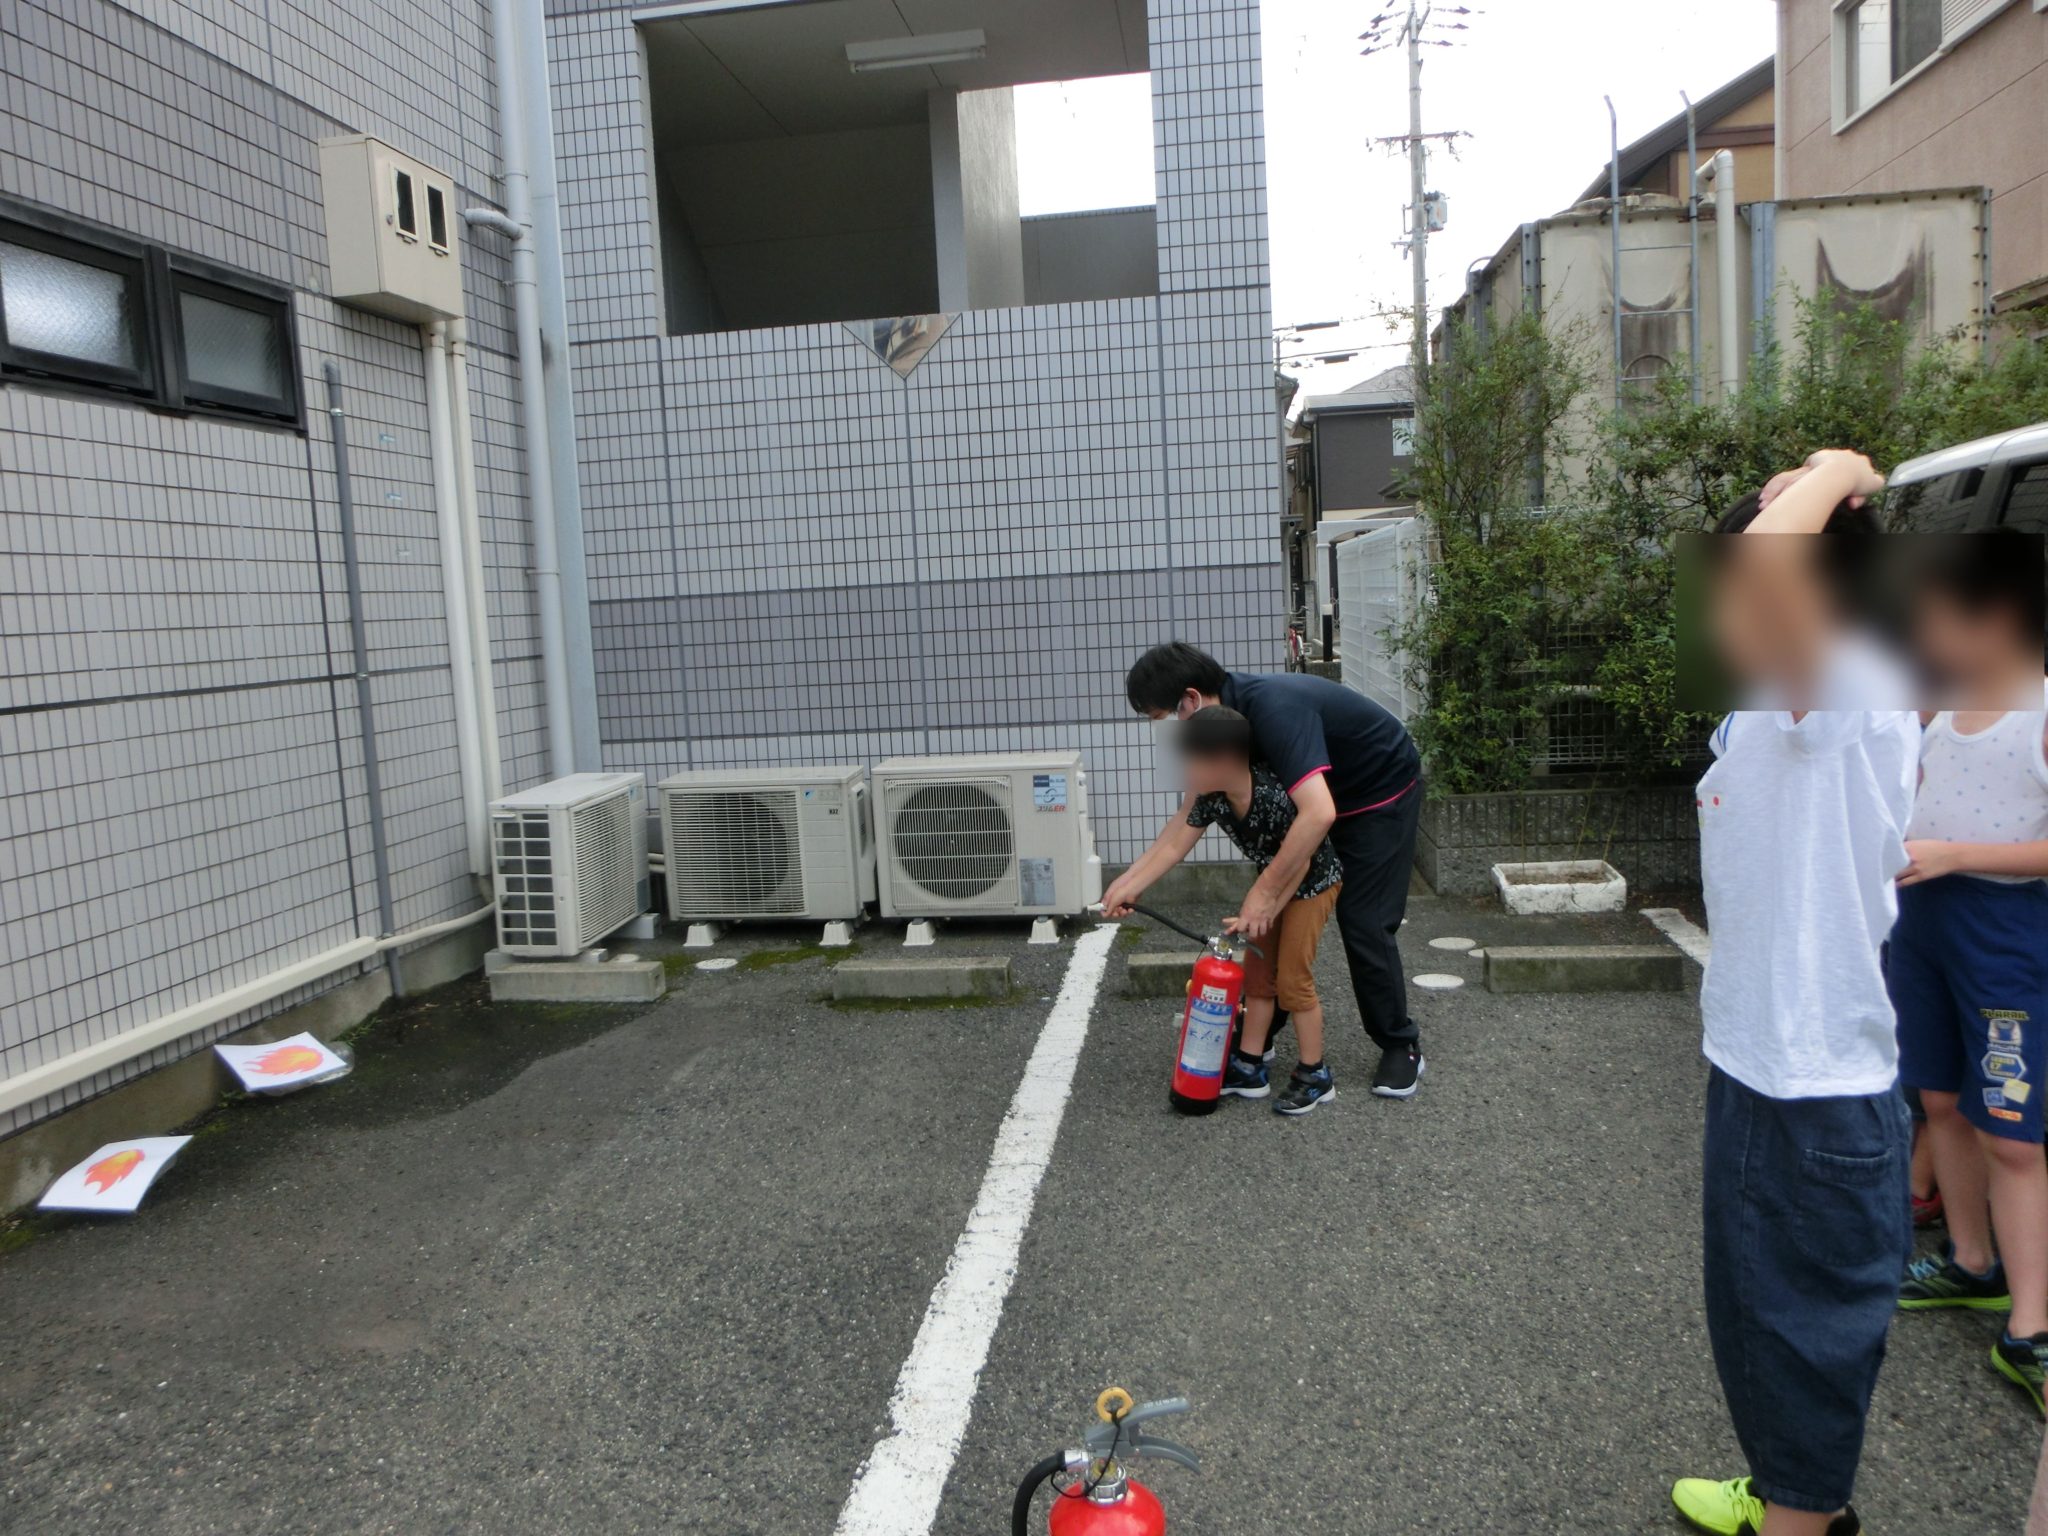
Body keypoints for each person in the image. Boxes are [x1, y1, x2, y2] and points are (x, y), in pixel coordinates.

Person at [1671, 450, 1921, 1536]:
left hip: (1816, 1087)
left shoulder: (1852, 678)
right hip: (1757, 1063)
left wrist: (1834, 470)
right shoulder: (1773, 701)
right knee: (1753, 1319)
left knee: (1801, 1330)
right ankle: (1789, 1493)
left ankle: (1797, 1514)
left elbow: (1779, 571)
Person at [1103, 642, 1426, 1099]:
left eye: (1167, 717)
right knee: (1265, 939)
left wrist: (1264, 892)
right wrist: (1127, 884)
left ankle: (1400, 1043)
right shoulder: (1221, 728)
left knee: (1364, 920)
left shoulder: (1274, 710)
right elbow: (1184, 824)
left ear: (1191, 700)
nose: (1173, 732)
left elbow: (1318, 814)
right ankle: (1258, 1045)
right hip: (1317, 803)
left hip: (1376, 792)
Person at [1886, 528, 2048, 1414]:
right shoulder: (1940, 708)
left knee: (2014, 1134)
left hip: (2006, 928)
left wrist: (1956, 854)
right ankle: (1971, 1263)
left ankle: (2033, 1326)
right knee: (1939, 1099)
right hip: (1926, 920)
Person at [1107, 706, 1344, 1113]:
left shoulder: (1270, 796)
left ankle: (1315, 1074)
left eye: (1194, 762)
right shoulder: (1213, 797)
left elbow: (1302, 861)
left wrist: (1265, 907)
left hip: (1313, 884)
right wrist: (1127, 887)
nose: (1188, 773)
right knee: (1256, 977)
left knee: (1292, 979)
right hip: (1271, 888)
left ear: (1226, 761)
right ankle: (1250, 1067)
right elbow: (1173, 844)